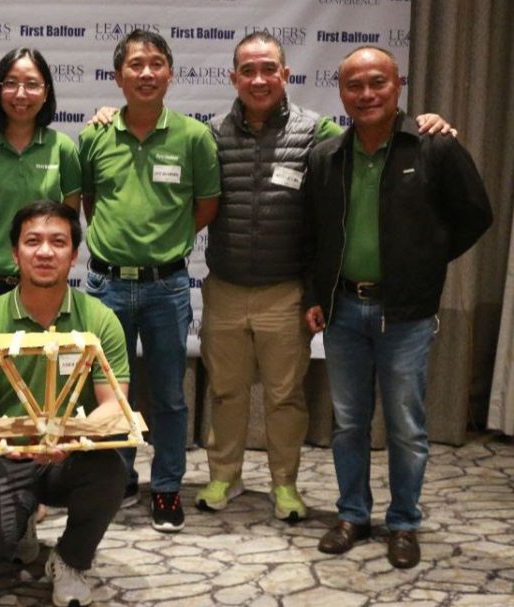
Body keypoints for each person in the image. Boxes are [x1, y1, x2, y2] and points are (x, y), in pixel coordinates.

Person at [196, 33, 454, 521]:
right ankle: (223, 475)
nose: (258, 79)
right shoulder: (210, 135)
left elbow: (371, 151)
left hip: (285, 291)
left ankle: (284, 484)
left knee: (285, 395)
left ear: (285, 75)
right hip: (226, 288)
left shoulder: (318, 135)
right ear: (233, 78)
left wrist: (429, 123)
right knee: (226, 391)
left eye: (268, 69)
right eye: (247, 70)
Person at [305, 46, 491, 569]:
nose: (366, 94)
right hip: (343, 310)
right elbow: (314, 235)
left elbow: (476, 213)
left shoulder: (433, 147)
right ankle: (353, 515)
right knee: (348, 423)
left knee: (407, 426)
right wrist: (315, 296)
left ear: (398, 85)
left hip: (405, 315)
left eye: (377, 83)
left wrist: (424, 262)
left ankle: (404, 523)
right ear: (341, 91)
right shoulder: (327, 156)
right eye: (354, 85)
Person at [78, 29, 221, 532]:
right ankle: (116, 479)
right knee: (108, 393)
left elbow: (205, 206)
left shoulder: (193, 137)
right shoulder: (94, 135)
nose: (145, 73)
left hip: (167, 287)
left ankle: (166, 488)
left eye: (156, 63)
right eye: (135, 65)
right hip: (107, 286)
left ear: (170, 73)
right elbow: (89, 204)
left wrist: (166, 241)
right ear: (118, 77)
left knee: (169, 395)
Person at [0, 201, 128, 607]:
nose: (46, 252)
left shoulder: (101, 320)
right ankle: (24, 519)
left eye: (58, 242)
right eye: (33, 241)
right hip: (9, 455)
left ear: (74, 255)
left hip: (72, 457)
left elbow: (114, 407)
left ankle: (70, 560)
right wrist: (8, 442)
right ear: (15, 253)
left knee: (115, 462)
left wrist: (73, 437)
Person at [0, 47, 81, 327]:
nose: (21, 94)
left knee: (37, 370)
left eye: (32, 84)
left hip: (40, 286)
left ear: (46, 93)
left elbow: (68, 219)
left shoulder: (63, 149)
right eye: (11, 83)